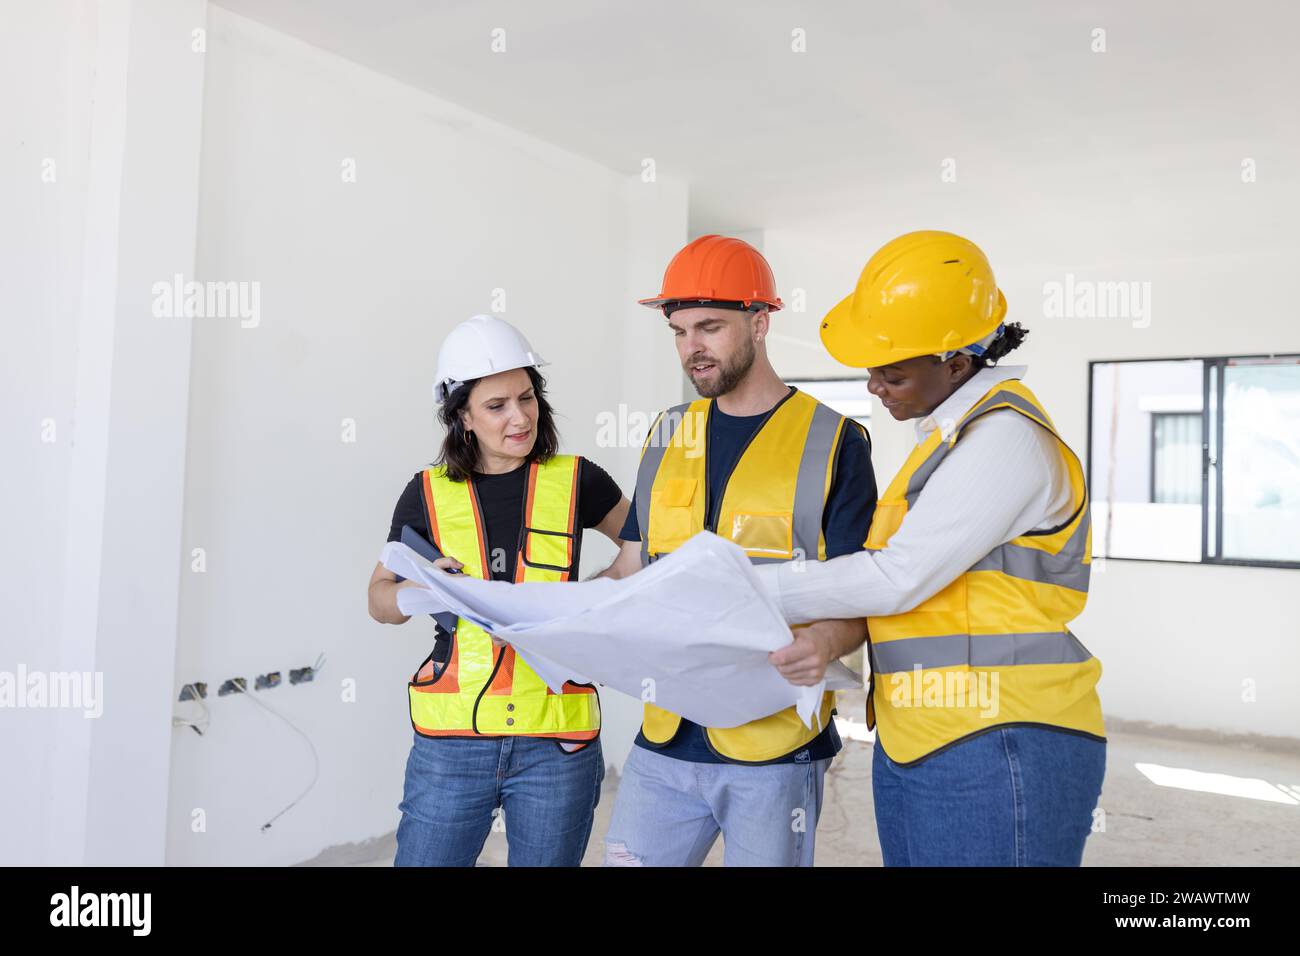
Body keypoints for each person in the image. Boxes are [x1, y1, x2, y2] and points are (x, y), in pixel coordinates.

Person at [751, 230, 1106, 866]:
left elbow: (899, 577)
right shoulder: (945, 442)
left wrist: (752, 584)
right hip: (925, 733)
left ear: (957, 362)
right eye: (871, 370)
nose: (874, 388)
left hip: (1002, 736)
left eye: (892, 372)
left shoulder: (1005, 440)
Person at [598, 235, 877, 866]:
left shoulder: (835, 441)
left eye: (709, 327)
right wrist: (553, 613)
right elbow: (631, 565)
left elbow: (863, 591)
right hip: (665, 732)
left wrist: (827, 644)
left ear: (760, 321)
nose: (691, 347)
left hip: (773, 744)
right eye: (678, 331)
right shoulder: (668, 433)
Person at [367, 314, 630, 867]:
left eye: (527, 398)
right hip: (451, 741)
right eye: (497, 406)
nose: (520, 417)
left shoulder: (579, 478)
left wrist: (587, 597)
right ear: (461, 414)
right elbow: (379, 601)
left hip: (557, 743)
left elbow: (645, 551)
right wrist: (421, 588)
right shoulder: (427, 493)